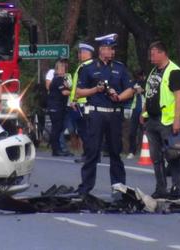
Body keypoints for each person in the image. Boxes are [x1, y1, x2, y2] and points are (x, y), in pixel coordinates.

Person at [75, 33, 135, 196]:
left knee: (115, 151)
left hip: (114, 114)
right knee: (92, 152)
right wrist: (96, 90)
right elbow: (79, 92)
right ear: (101, 50)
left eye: (113, 49)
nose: (112, 52)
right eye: (109, 49)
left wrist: (119, 96)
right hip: (96, 114)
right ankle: (85, 188)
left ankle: (119, 187)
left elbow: (131, 88)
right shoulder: (89, 68)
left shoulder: (120, 68)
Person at [141, 41, 180, 199]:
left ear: (162, 53)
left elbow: (179, 96)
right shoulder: (154, 71)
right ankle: (160, 188)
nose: (150, 57)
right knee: (155, 156)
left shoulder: (174, 71)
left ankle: (175, 187)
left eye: (153, 54)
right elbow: (150, 92)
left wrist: (177, 119)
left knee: (173, 154)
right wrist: (143, 111)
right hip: (152, 119)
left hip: (166, 120)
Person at [69, 42, 94, 163]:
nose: (79, 55)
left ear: (85, 53)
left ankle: (89, 154)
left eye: (80, 52)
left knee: (85, 130)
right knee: (84, 130)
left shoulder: (86, 67)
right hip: (82, 102)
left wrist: (74, 100)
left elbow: (80, 86)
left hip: (84, 103)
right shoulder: (85, 65)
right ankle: (88, 153)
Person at [47, 60, 71, 156]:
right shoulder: (57, 79)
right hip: (55, 107)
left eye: (64, 67)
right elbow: (64, 92)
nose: (63, 69)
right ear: (57, 69)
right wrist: (76, 92)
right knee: (56, 129)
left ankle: (58, 149)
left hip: (60, 107)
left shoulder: (63, 79)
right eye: (61, 68)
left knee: (59, 128)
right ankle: (56, 150)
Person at [127, 70, 146, 159]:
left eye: (141, 76)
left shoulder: (147, 83)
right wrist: (134, 90)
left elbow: (151, 95)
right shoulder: (134, 83)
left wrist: (143, 91)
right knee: (132, 132)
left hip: (145, 110)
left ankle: (145, 151)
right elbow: (129, 91)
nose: (139, 78)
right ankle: (132, 151)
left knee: (145, 132)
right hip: (135, 109)